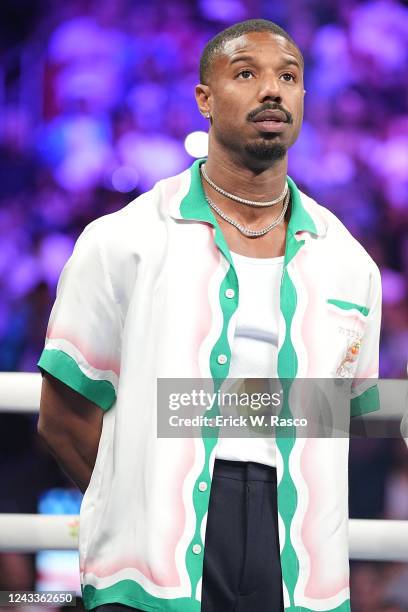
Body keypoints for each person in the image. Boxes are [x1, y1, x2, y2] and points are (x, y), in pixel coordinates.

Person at [37, 19, 382, 612]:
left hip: (298, 567)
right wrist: (142, 504)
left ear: (303, 97)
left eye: (289, 76)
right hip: (149, 570)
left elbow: (331, 421)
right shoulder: (124, 241)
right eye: (246, 73)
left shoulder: (350, 264)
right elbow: (63, 419)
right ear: (204, 97)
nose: (271, 90)